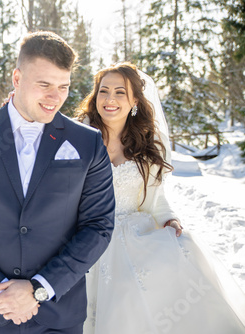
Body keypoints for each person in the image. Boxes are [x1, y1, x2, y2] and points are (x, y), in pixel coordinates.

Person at [0, 31, 115, 333]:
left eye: (63, 87)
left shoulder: (88, 143)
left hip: (59, 315)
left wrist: (40, 289)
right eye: (44, 84)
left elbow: (98, 226)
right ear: (17, 79)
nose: (55, 97)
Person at [76, 62, 245, 334]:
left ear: (134, 101)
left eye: (120, 92)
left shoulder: (149, 146)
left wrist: (170, 219)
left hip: (133, 234)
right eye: (103, 91)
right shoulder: (77, 138)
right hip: (87, 234)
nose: (109, 99)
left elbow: (156, 200)